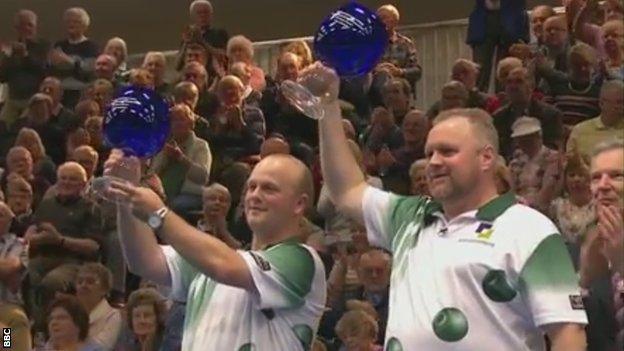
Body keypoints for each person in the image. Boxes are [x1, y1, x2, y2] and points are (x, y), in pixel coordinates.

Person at [314, 62, 587, 350]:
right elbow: (346, 189)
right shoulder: (410, 216)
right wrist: (327, 104)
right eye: (429, 152)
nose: (433, 162)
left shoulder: (530, 229)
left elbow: (568, 334)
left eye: (447, 151)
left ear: (486, 158)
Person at [105, 151, 327, 350]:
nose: (255, 195)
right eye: (251, 186)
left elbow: (225, 267)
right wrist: (126, 193)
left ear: (299, 204)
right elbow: (144, 261)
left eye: (269, 188)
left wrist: (159, 215)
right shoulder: (210, 262)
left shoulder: (302, 261)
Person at [0, 9, 50, 127]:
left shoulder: (43, 46)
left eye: (30, 25)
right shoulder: (11, 49)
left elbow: (44, 71)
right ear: (16, 28)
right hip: (13, 99)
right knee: (3, 127)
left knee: (28, 127)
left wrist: (26, 56)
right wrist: (9, 56)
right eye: (22, 25)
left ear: (35, 26)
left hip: (34, 99)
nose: (26, 29)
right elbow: (2, 77)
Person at [567, 80, 624, 162]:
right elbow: (571, 165)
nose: (622, 107)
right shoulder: (580, 131)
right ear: (601, 103)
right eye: (619, 102)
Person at [0, 201, 31, 351]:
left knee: (9, 328)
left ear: (10, 221)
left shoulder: (19, 244)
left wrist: (6, 270)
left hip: (4, 306)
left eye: (0, 215)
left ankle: (7, 348)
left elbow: (9, 268)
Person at [75, 263, 122, 350]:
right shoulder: (69, 314)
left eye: (90, 282)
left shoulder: (112, 315)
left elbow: (101, 348)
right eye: (80, 282)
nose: (83, 285)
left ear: (104, 289)